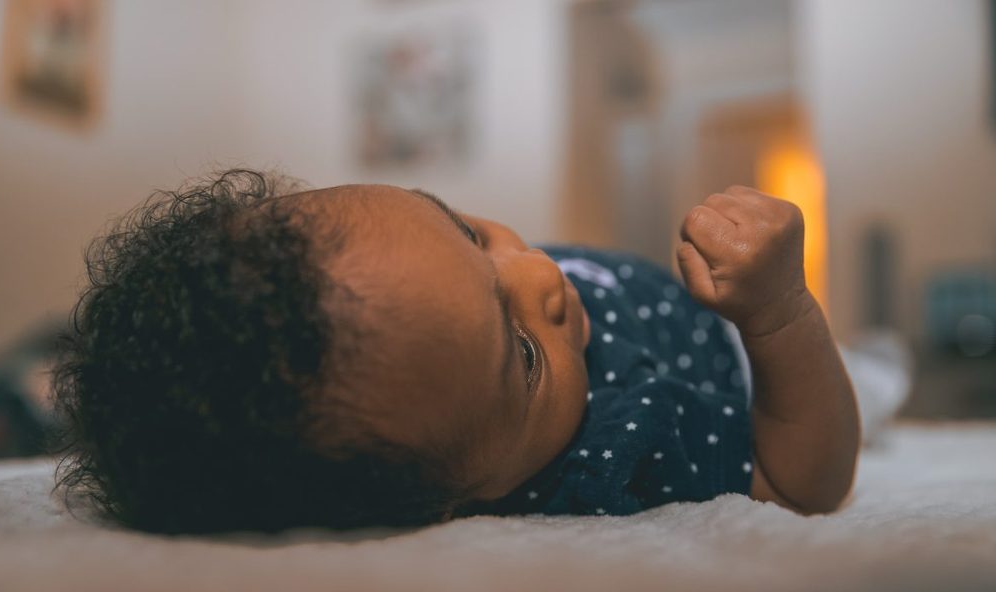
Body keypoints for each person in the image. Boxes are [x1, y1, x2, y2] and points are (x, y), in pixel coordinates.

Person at [52, 169, 860, 534]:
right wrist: (782, 314)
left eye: (466, 231)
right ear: (450, 501)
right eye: (524, 355)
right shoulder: (610, 446)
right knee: (868, 383)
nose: (537, 270)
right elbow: (804, 480)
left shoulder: (446, 342)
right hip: (743, 352)